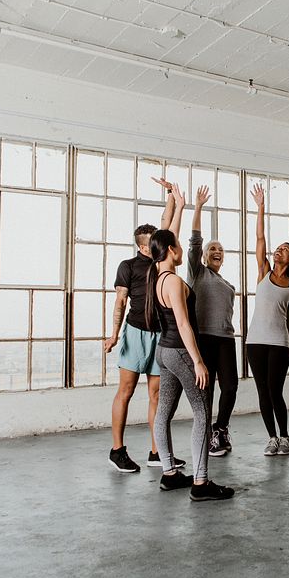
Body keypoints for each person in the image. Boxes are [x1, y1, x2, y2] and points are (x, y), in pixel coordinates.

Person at [146, 185, 234, 501]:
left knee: (164, 413)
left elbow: (166, 237)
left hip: (163, 352)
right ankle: (200, 482)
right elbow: (184, 323)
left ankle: (169, 474)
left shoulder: (157, 274)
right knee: (201, 412)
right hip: (181, 352)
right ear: (171, 251)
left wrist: (179, 206)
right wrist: (198, 361)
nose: (182, 248)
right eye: (178, 246)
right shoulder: (172, 282)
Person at [103, 183, 187, 473]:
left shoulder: (162, 264)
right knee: (125, 390)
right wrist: (114, 334)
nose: (157, 246)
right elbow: (120, 301)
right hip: (135, 332)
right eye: (151, 244)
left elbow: (169, 229)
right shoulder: (128, 266)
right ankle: (117, 450)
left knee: (156, 395)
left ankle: (156, 451)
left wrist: (174, 200)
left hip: (159, 334)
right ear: (141, 246)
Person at [160, 184, 239, 457]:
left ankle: (221, 429)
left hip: (226, 339)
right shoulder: (197, 271)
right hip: (203, 337)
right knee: (207, 389)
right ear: (204, 256)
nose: (216, 250)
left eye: (220, 249)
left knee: (230, 386)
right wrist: (198, 207)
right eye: (212, 248)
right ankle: (205, 434)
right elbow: (194, 239)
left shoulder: (227, 283)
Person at [246, 183, 289, 456]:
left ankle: (286, 436)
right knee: (262, 392)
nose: (277, 251)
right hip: (255, 341)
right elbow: (259, 239)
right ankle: (271, 438)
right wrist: (260, 207)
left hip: (279, 343)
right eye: (277, 248)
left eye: (284, 250)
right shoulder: (264, 271)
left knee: (275, 391)